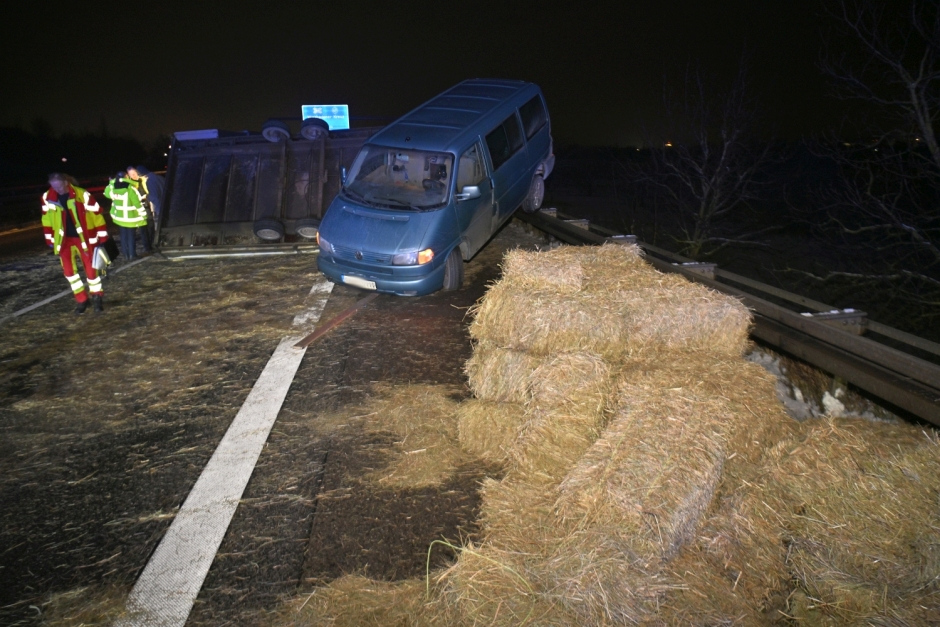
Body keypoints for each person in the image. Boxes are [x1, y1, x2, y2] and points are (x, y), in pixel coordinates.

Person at [41, 173, 109, 313]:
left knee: (91, 270)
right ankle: (81, 300)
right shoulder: (47, 198)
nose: (57, 189)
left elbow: (96, 214)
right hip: (64, 240)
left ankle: (97, 297)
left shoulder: (81, 195)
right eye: (54, 187)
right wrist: (50, 239)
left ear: (66, 182)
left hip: (84, 238)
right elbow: (46, 220)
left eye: (59, 186)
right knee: (69, 272)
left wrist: (102, 236)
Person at [104, 171, 148, 261]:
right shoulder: (130, 188)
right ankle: (132, 255)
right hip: (131, 217)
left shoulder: (112, 187)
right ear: (126, 177)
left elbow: (106, 193)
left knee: (123, 236)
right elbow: (137, 203)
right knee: (131, 236)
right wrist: (144, 215)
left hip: (119, 218)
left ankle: (126, 255)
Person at [126, 165, 164, 250]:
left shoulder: (145, 180)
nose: (134, 176)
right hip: (145, 208)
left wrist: (147, 197)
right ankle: (149, 245)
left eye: (134, 173)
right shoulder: (132, 184)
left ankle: (152, 245)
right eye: (131, 175)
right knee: (147, 228)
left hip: (152, 206)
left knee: (153, 226)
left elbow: (153, 196)